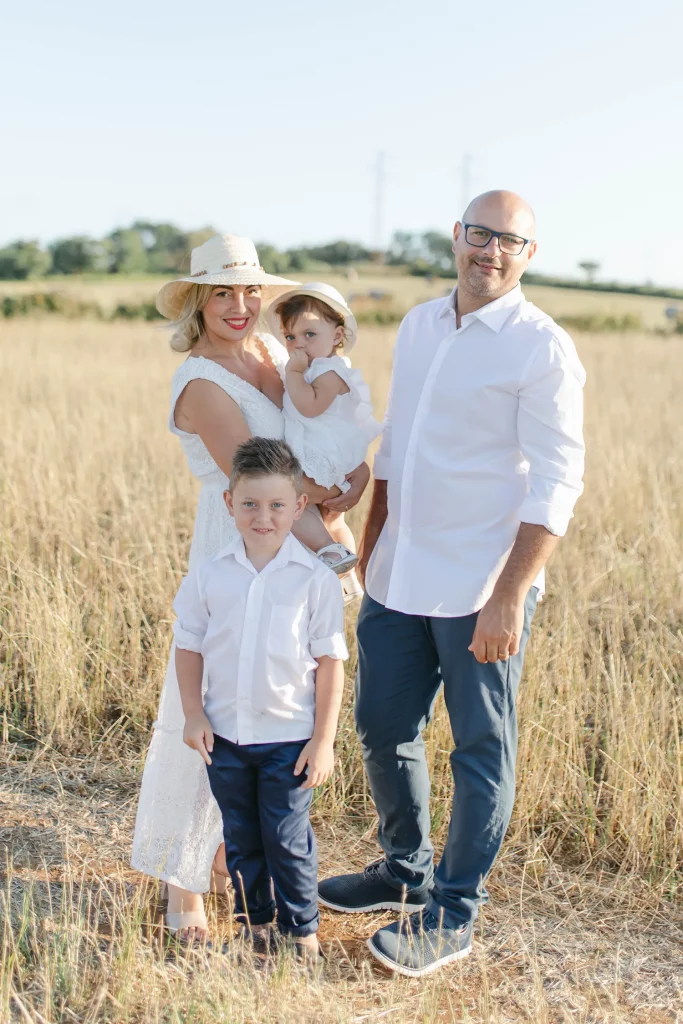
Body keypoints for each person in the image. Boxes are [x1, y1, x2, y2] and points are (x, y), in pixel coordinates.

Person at [318, 191, 586, 977]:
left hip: (481, 586)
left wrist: (509, 596)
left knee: (479, 751)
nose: (490, 250)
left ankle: (453, 910)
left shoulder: (541, 348)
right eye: (479, 233)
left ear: (528, 255)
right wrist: (373, 545)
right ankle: (403, 870)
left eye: (509, 240)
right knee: (381, 726)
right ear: (456, 236)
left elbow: (557, 484)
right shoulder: (419, 324)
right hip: (400, 570)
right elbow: (398, 445)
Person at [130, 234, 369, 942]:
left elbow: (324, 429)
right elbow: (261, 480)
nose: (240, 304)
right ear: (198, 302)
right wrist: (336, 550)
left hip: (299, 541)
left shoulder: (272, 351)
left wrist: (352, 478)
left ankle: (236, 863)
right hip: (243, 543)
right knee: (213, 703)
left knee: (273, 698)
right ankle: (182, 884)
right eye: (222, 292)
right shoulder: (202, 383)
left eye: (249, 291)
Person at [174, 438, 347, 961]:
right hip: (225, 736)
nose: (263, 517)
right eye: (250, 504)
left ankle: (302, 932)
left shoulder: (315, 581)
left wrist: (323, 740)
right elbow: (189, 645)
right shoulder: (210, 574)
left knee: (286, 838)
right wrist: (193, 714)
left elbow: (331, 664)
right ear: (229, 504)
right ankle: (256, 927)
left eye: (276, 505)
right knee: (242, 837)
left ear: (299, 506)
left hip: (289, 740)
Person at [267, 283, 382, 599]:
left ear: (336, 335)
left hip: (325, 453)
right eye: (290, 337)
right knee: (328, 518)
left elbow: (309, 406)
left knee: (289, 501)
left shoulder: (330, 371)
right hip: (317, 447)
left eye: (309, 334)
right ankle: (345, 576)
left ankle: (332, 552)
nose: (299, 345)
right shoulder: (314, 367)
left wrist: (293, 374)